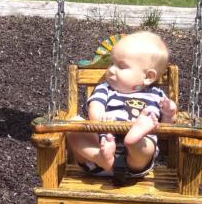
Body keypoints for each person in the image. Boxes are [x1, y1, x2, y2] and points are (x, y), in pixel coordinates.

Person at [66, 31, 177, 184]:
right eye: (111, 63)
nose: (111, 69)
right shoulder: (105, 88)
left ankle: (133, 139)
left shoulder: (157, 96)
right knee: (73, 124)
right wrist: (101, 118)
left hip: (134, 165)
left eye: (121, 66)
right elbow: (95, 108)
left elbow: (166, 129)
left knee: (147, 146)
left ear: (148, 77)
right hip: (98, 155)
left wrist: (169, 114)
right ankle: (99, 156)